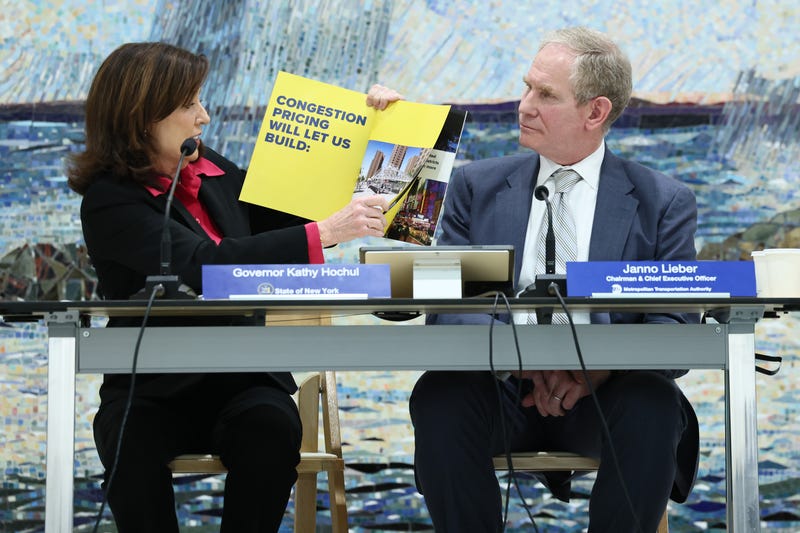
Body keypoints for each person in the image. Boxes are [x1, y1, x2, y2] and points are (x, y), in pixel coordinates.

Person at [369, 26, 700, 532]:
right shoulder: (474, 187)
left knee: (653, 402)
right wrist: (525, 362)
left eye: (545, 95)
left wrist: (592, 371)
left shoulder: (664, 202)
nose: (523, 105)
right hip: (503, 391)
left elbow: (674, 326)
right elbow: (448, 314)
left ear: (596, 112)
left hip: (605, 398)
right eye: (526, 87)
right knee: (439, 395)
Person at [67, 42, 389, 532]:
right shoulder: (109, 202)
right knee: (129, 445)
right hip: (152, 388)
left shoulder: (209, 167)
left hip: (243, 377)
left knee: (274, 428)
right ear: (142, 115)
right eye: (189, 104)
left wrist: (373, 126)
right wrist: (326, 232)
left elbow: (286, 212)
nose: (204, 117)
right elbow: (204, 266)